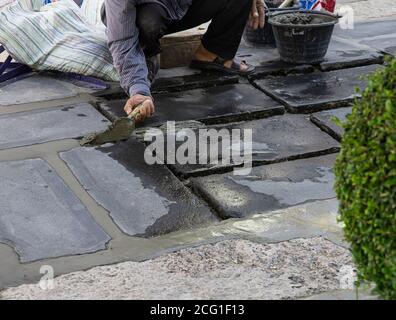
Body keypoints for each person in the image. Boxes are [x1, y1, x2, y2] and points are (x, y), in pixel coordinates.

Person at [103, 0, 265, 121]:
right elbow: (123, 41)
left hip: (182, 5)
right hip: (141, 14)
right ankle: (147, 51)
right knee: (149, 23)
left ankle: (212, 54)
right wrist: (138, 90)